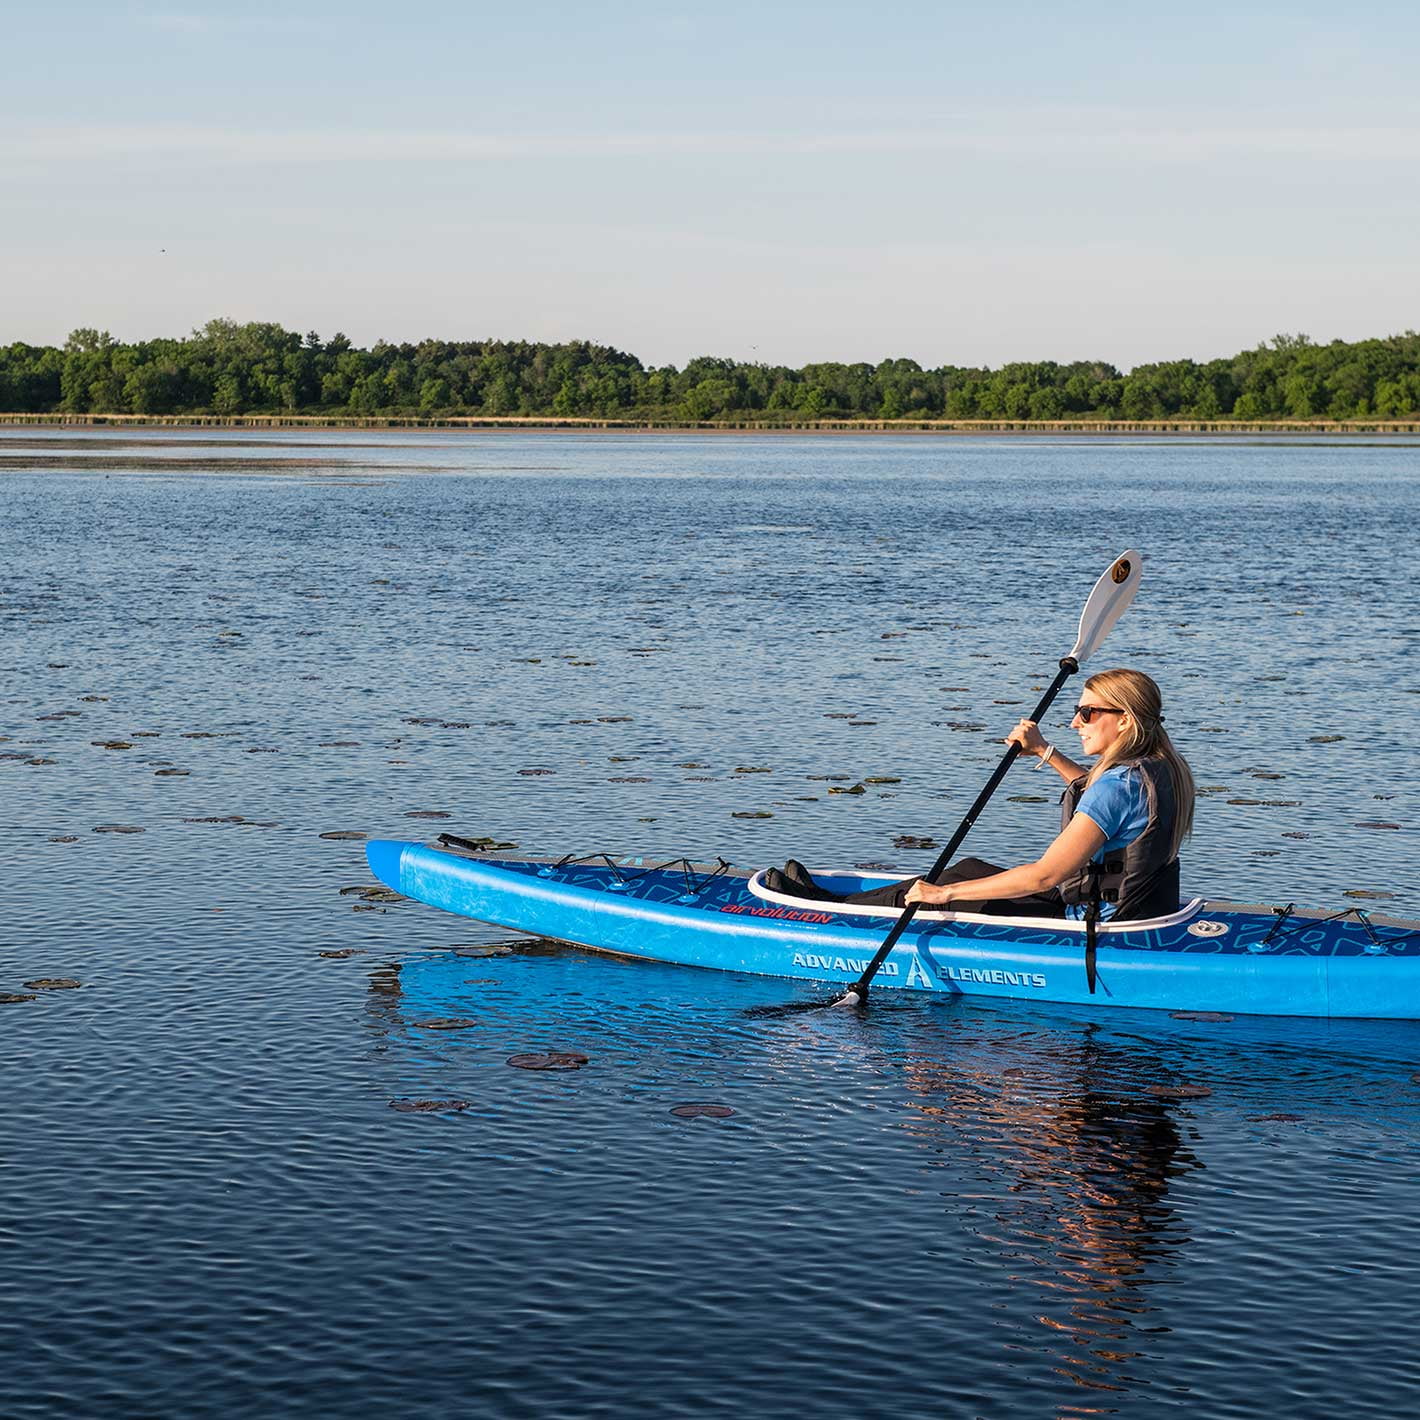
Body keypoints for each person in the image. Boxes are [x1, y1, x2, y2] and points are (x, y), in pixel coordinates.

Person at [764, 668, 1195, 922]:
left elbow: (1044, 877)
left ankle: (829, 912)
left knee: (946, 887)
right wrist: (1045, 752)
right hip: (1128, 910)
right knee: (967, 868)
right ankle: (834, 901)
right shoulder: (1160, 768)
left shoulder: (1116, 785)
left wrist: (942, 896)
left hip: (1085, 920)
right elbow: (1105, 797)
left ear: (1125, 720)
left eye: (1087, 712)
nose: (1075, 723)